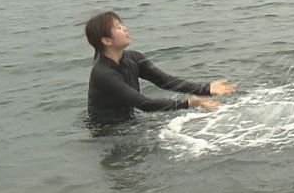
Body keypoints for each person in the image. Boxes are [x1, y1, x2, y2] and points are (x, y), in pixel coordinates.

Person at [85, 11, 235, 124]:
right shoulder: (103, 73)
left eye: (122, 24)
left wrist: (206, 89)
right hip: (105, 134)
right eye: (118, 27)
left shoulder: (133, 58)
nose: (125, 29)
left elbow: (165, 81)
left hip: (129, 122)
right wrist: (190, 103)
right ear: (106, 40)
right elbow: (144, 104)